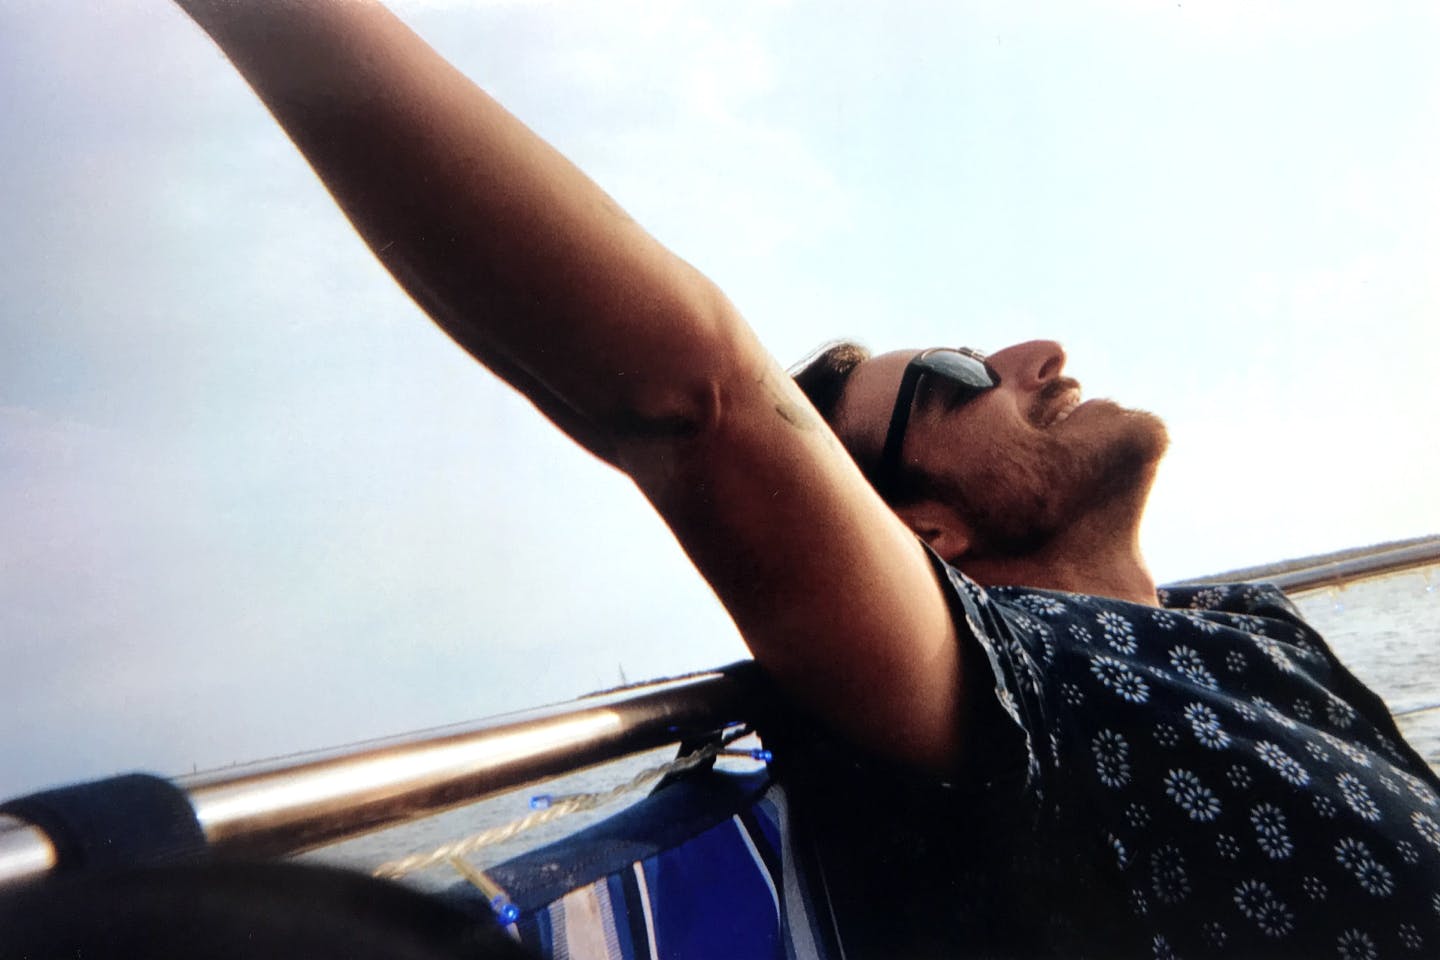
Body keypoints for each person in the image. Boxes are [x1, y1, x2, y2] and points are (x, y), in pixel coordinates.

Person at [173, 3, 1440, 957]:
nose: (1034, 356)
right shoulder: (1002, 691)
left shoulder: (1243, 625)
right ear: (921, 529)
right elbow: (694, 397)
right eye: (956, 375)